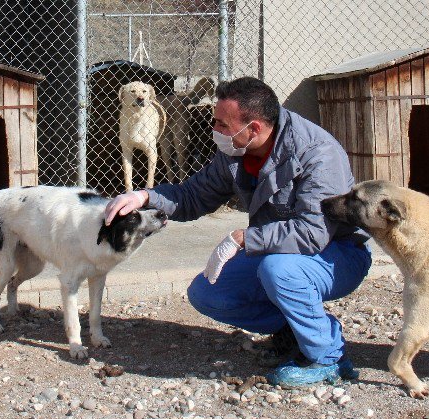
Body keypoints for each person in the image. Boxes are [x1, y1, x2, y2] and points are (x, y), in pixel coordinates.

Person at [104, 76, 371, 387]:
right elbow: (195, 195)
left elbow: (313, 233)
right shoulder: (236, 150)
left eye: (221, 123)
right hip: (278, 251)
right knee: (209, 293)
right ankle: (295, 331)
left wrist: (246, 238)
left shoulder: (317, 154)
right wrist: (145, 196)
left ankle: (327, 358)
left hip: (337, 255)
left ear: (254, 128)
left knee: (279, 271)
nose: (214, 129)